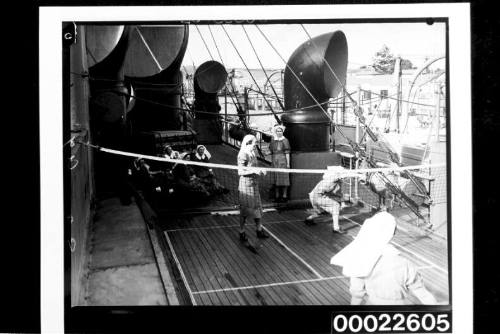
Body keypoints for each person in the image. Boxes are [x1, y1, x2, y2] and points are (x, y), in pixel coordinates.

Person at [330, 211, 438, 305]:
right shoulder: (405, 263)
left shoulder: (360, 260)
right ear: (392, 233)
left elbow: (357, 295)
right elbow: (423, 295)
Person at [304, 166, 358, 234]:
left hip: (312, 197)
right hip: (318, 197)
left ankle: (309, 219)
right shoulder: (333, 178)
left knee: (322, 213)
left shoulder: (334, 183)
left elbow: (331, 194)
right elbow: (345, 175)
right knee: (336, 206)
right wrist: (359, 175)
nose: (344, 178)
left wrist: (344, 198)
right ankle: (336, 228)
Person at [237, 134, 269, 242]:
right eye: (255, 143)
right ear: (248, 143)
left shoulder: (253, 153)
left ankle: (259, 230)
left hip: (254, 184)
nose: (256, 145)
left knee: (258, 207)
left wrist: (260, 170)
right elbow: (240, 171)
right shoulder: (242, 154)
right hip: (245, 185)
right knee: (245, 211)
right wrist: (254, 171)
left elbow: (253, 167)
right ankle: (241, 232)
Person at [268, 124, 291, 202]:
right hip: (274, 161)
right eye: (277, 131)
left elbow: (287, 152)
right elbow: (271, 150)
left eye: (280, 131)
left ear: (282, 131)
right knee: (275, 179)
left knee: (284, 179)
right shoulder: (273, 140)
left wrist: (288, 163)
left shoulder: (285, 140)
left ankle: (284, 196)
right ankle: (277, 196)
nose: (279, 132)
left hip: (282, 161)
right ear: (275, 132)